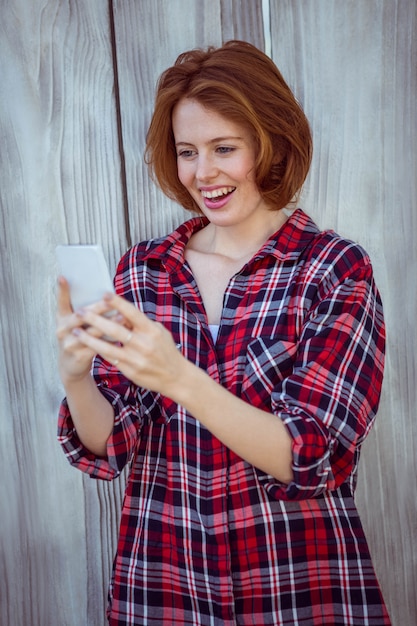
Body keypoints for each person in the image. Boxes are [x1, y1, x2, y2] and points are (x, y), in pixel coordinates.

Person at [56, 40, 391, 626]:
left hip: (297, 590)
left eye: (224, 148)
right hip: (164, 588)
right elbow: (112, 444)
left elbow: (309, 456)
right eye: (187, 151)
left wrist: (181, 378)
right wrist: (77, 376)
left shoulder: (334, 270)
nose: (202, 173)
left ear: (271, 143)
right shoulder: (145, 270)